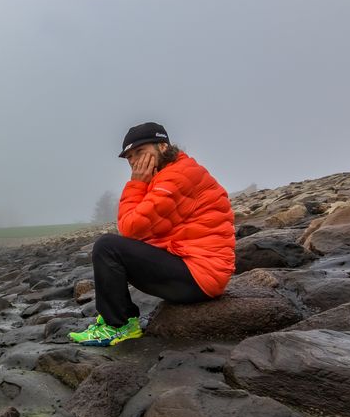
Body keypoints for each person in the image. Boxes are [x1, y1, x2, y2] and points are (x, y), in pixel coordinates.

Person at [68, 122, 235, 346]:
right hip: (196, 268)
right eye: (130, 158)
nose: (135, 161)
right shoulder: (169, 172)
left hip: (199, 276)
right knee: (113, 247)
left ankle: (119, 326)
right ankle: (117, 319)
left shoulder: (177, 177)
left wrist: (135, 184)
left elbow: (130, 227)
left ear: (163, 146)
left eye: (140, 152)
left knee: (107, 247)